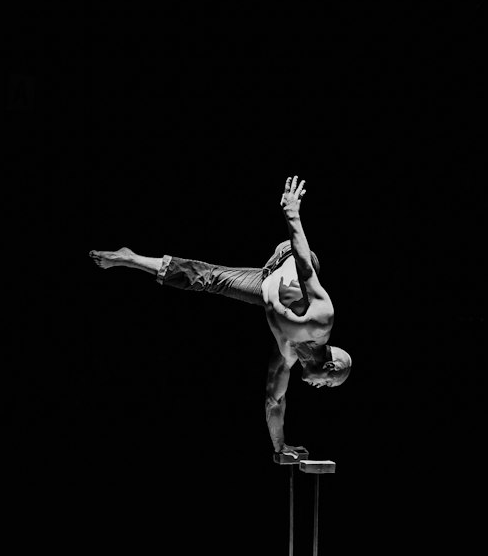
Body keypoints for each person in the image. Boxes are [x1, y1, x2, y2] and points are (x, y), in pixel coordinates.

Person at [89, 177, 352, 458]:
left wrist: (279, 446)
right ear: (332, 367)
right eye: (328, 383)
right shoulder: (321, 321)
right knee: (283, 277)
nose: (320, 387)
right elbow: (305, 268)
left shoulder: (286, 355)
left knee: (208, 277)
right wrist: (292, 214)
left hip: (266, 279)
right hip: (293, 257)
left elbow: (274, 400)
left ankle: (130, 258)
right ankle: (130, 257)